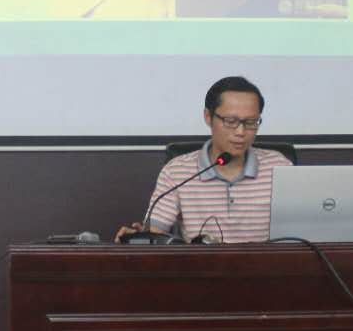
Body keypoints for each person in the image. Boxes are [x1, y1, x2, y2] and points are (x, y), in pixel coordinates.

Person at [115, 76, 290, 244]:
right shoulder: (177, 172)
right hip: (201, 264)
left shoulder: (279, 166)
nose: (241, 132)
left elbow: (297, 234)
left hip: (268, 264)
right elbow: (155, 233)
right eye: (230, 121)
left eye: (251, 122)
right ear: (208, 116)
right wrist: (139, 238)